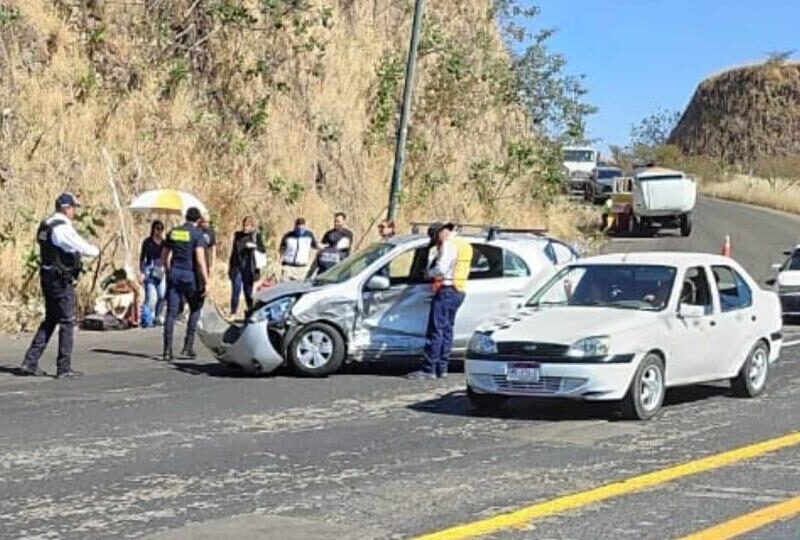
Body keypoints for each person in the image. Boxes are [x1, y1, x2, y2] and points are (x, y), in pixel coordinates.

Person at [20, 193, 99, 379]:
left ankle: (30, 361)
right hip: (60, 279)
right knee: (67, 321)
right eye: (73, 208)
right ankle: (64, 367)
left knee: (51, 319)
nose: (74, 212)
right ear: (66, 208)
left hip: (47, 276)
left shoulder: (45, 224)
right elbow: (80, 246)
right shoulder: (62, 228)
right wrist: (95, 251)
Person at [407, 222, 472, 380]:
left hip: (447, 290)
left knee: (436, 330)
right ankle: (442, 367)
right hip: (459, 290)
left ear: (439, 234)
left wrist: (429, 273)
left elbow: (441, 269)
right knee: (447, 330)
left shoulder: (449, 245)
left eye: (436, 239)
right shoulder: (463, 243)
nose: (437, 243)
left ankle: (429, 369)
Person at [162, 207, 209, 362]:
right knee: (195, 307)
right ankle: (188, 346)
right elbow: (200, 260)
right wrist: (206, 282)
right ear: (198, 220)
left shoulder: (174, 232)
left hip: (175, 273)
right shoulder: (198, 235)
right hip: (190, 275)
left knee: (171, 312)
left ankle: (167, 350)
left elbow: (165, 255)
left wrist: (169, 270)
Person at [228, 216, 266, 316]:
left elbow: (263, 250)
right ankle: (233, 312)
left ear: (252, 226)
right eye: (244, 225)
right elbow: (234, 252)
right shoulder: (238, 235)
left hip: (249, 268)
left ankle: (250, 312)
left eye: (247, 226)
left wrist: (254, 246)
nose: (245, 228)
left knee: (248, 292)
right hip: (238, 267)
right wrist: (230, 267)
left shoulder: (256, 235)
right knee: (235, 290)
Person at [139, 220, 166, 327]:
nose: (159, 231)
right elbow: (142, 258)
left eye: (161, 229)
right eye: (157, 228)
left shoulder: (164, 243)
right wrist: (141, 271)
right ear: (153, 229)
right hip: (149, 270)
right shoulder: (147, 242)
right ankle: (147, 318)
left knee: (162, 295)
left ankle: (157, 316)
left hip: (161, 270)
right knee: (151, 296)